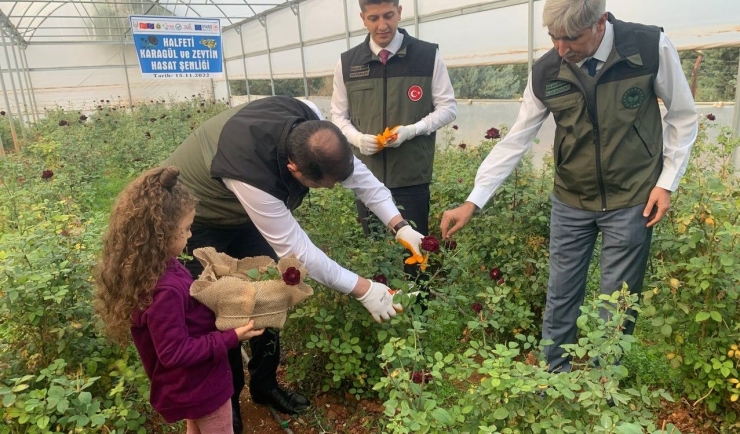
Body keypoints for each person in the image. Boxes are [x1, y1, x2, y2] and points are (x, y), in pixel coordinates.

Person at [440, 0, 697, 373]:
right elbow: (516, 139)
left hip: (632, 196)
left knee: (618, 298)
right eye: (553, 37)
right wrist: (473, 201)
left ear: (600, 22)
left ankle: (602, 384)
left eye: (571, 38)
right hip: (571, 199)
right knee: (561, 294)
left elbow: (683, 115)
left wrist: (666, 182)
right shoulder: (546, 71)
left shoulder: (647, 46)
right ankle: (553, 375)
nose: (561, 49)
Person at [162, 95, 426, 432]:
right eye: (321, 185)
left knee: (270, 292)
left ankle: (264, 384)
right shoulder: (251, 173)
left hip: (244, 212)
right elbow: (300, 252)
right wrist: (363, 289)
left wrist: (401, 227)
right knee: (219, 306)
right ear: (293, 169)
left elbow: (362, 180)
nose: (329, 189)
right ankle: (228, 400)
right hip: (198, 217)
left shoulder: (315, 129)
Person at [94, 166, 266, 434]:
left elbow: (183, 316)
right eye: (185, 230)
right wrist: (233, 337)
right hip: (201, 386)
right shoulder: (165, 290)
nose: (189, 236)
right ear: (159, 233)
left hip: (189, 386)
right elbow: (174, 352)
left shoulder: (155, 268)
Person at [331, 0, 456, 287]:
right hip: (366, 176)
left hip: (411, 176)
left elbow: (448, 107)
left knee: (415, 251)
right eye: (373, 18)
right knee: (375, 256)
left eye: (388, 16)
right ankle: (383, 312)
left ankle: (417, 316)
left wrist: (412, 130)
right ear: (363, 18)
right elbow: (338, 116)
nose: (382, 25)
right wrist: (358, 139)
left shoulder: (427, 56)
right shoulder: (348, 63)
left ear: (400, 11)